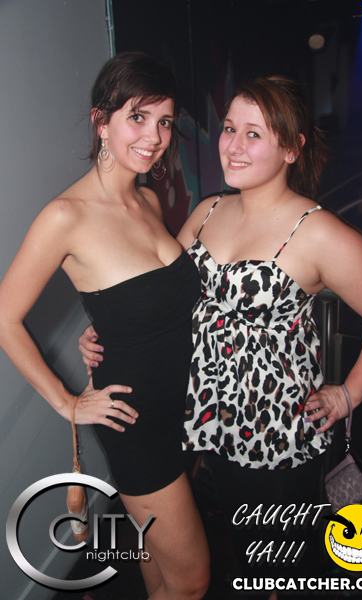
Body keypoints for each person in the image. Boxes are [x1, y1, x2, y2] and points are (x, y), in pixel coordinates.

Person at [79, 75, 362, 592]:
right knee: (221, 552)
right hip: (203, 425)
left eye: (255, 134)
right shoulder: (208, 211)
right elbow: (163, 293)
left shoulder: (319, 232)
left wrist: (348, 393)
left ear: (292, 148)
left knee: (274, 571)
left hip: (274, 439)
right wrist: (105, 330)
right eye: (230, 129)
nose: (233, 145)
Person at [0, 52, 209, 600]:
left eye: (164, 121)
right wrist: (67, 402)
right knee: (192, 581)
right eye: (138, 117)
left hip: (179, 410)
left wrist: (108, 326)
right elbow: (4, 317)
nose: (155, 137)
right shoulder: (64, 216)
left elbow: (149, 296)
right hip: (135, 424)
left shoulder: (148, 198)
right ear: (101, 120)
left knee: (161, 569)